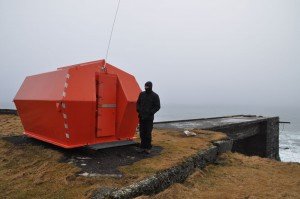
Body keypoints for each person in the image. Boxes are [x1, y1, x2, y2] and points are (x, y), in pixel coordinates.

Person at [136, 81, 160, 154]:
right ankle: (142, 147)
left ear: (150, 86)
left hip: (149, 118)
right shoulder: (142, 94)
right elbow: (138, 103)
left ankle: (148, 148)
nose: (146, 87)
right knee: (142, 133)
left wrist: (150, 113)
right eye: (145, 86)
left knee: (148, 133)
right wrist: (138, 110)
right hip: (141, 117)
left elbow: (157, 106)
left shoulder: (155, 96)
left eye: (147, 86)